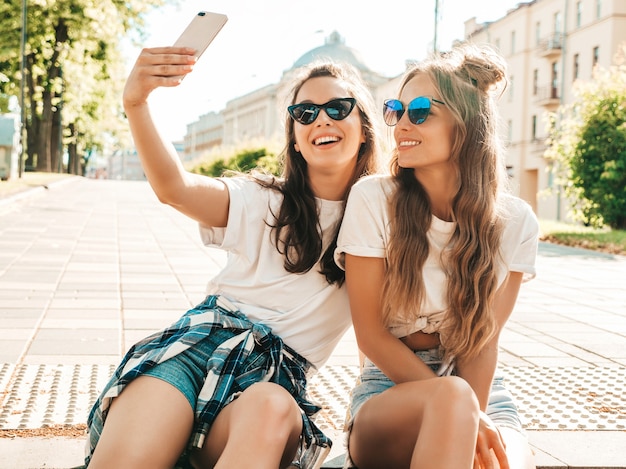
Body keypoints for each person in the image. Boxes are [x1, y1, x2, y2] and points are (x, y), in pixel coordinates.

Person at [84, 45, 382, 469]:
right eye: (305, 113)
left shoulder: (383, 217)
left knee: (272, 406)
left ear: (365, 127)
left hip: (270, 384)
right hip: (195, 350)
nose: (322, 119)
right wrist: (136, 103)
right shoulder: (264, 200)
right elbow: (175, 189)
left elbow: (380, 328)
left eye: (338, 107)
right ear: (295, 140)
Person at [334, 43, 539, 469]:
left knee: (504, 463)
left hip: (481, 390)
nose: (402, 124)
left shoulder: (515, 222)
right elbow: (370, 335)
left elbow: (482, 344)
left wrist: (473, 418)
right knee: (452, 398)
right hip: (389, 391)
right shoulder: (374, 199)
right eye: (396, 110)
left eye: (421, 111)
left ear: (466, 126)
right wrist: (461, 408)